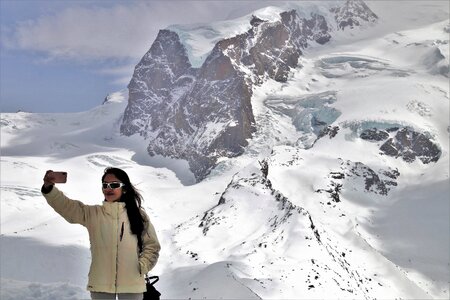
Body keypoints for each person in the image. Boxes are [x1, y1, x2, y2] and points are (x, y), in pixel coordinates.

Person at [41, 167, 161, 300]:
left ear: (124, 188)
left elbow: (152, 246)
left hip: (132, 285)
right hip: (100, 284)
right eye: (105, 185)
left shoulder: (139, 215)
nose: (108, 188)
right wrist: (49, 188)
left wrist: (140, 267)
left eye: (114, 185)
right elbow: (68, 207)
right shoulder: (93, 214)